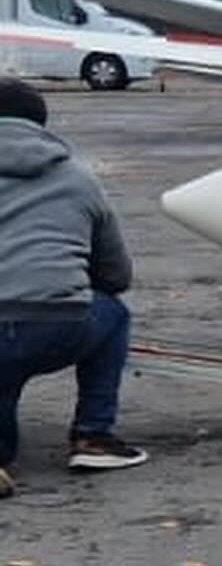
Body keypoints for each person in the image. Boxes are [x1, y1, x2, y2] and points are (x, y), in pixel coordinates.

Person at [0, 78, 147, 495]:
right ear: (42, 125)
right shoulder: (79, 179)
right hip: (55, 324)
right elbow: (117, 277)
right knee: (113, 314)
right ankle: (93, 436)